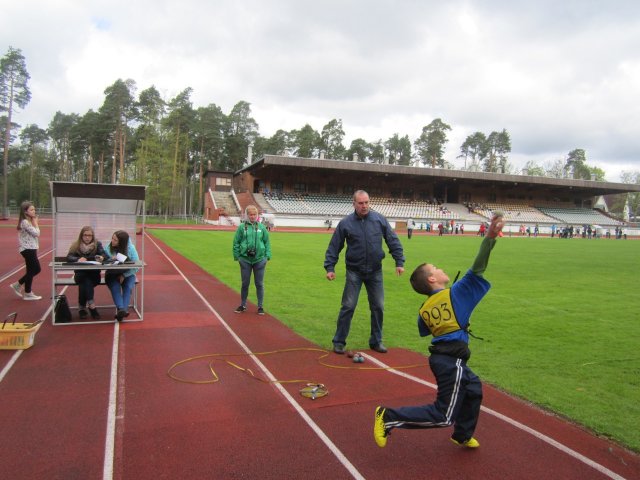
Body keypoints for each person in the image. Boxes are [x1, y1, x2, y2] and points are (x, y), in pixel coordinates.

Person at [373, 212, 505, 449]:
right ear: (432, 279)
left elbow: (425, 330)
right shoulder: (456, 293)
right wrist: (490, 237)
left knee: (473, 390)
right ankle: (388, 417)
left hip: (443, 358)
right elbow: (478, 267)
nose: (441, 268)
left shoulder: (424, 308)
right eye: (435, 267)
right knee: (443, 415)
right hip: (451, 360)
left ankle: (462, 434)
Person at [324, 190, 405, 354]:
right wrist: (330, 267)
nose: (364, 206)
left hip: (375, 271)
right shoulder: (346, 223)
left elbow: (392, 239)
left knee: (378, 307)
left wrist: (399, 261)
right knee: (348, 306)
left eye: (367, 202)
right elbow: (334, 246)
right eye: (361, 203)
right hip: (354, 271)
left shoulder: (379, 219)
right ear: (354, 203)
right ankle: (339, 341)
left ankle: (376, 341)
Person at [232, 205, 271, 315]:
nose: (252, 216)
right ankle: (243, 305)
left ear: (257, 215)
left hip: (259, 260)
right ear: (247, 215)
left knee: (259, 284)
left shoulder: (262, 227)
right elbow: (236, 242)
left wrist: (267, 256)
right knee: (245, 283)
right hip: (245, 260)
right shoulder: (241, 227)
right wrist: (237, 257)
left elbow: (267, 242)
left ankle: (260, 306)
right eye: (250, 214)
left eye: (254, 214)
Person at [66, 226, 106, 319]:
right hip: (80, 274)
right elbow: (69, 257)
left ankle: (82, 308)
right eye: (85, 235)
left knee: (85, 282)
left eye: (89, 235)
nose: (87, 237)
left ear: (92, 236)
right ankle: (92, 306)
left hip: (94, 275)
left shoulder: (97, 244)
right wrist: (77, 259)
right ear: (81, 236)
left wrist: (101, 257)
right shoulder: (76, 245)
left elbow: (104, 255)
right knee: (84, 280)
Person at [104, 230, 139, 321]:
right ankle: (122, 309)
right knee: (115, 286)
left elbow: (136, 266)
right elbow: (104, 261)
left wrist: (124, 275)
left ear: (122, 242)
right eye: (112, 238)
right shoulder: (108, 248)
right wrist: (108, 259)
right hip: (112, 273)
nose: (112, 241)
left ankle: (122, 310)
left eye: (115, 240)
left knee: (127, 287)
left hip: (128, 273)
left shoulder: (131, 249)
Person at [11, 201, 42, 300]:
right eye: (31, 210)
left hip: (31, 249)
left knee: (32, 270)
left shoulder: (28, 221)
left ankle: (22, 288)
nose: (34, 211)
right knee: (36, 269)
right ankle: (25, 290)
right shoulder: (24, 222)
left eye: (34, 209)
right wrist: (36, 223)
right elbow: (37, 234)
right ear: (25, 212)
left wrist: (33, 223)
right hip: (27, 249)